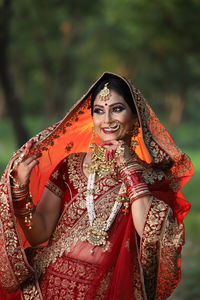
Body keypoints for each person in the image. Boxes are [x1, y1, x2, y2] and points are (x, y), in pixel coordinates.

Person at [0, 72, 194, 300]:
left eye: (117, 109)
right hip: (50, 288)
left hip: (109, 291)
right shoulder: (70, 166)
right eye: (99, 111)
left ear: (135, 117)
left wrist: (129, 170)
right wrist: (21, 192)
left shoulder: (152, 178)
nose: (107, 119)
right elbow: (38, 233)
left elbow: (151, 234)